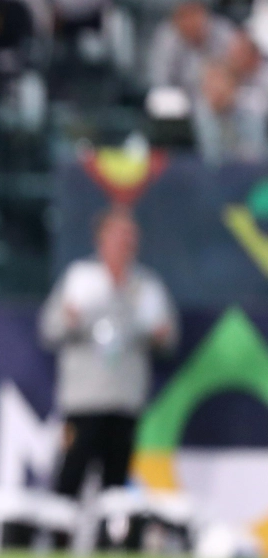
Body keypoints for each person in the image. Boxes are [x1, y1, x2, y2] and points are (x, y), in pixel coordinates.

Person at [40, 212, 177, 501]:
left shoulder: (146, 285)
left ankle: (112, 544)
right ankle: (59, 543)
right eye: (117, 234)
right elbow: (49, 329)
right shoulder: (80, 278)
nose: (124, 242)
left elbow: (169, 338)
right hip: (83, 400)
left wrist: (160, 335)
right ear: (100, 238)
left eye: (129, 236)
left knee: (115, 485)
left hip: (125, 400)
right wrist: (69, 320)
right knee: (69, 477)